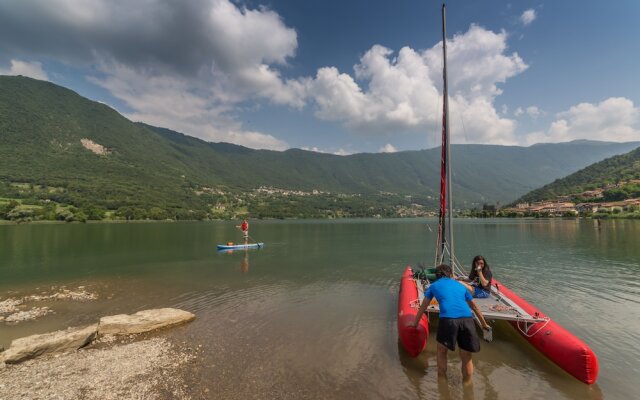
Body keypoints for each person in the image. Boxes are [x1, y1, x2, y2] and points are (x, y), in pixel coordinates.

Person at [409, 264, 491, 383]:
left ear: (437, 276)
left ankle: (442, 383)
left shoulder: (434, 286)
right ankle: (467, 386)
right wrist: (484, 324)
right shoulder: (460, 286)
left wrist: (415, 323)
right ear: (451, 275)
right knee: (466, 356)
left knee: (442, 352)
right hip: (467, 320)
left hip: (448, 320)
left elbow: (423, 306)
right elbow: (474, 307)